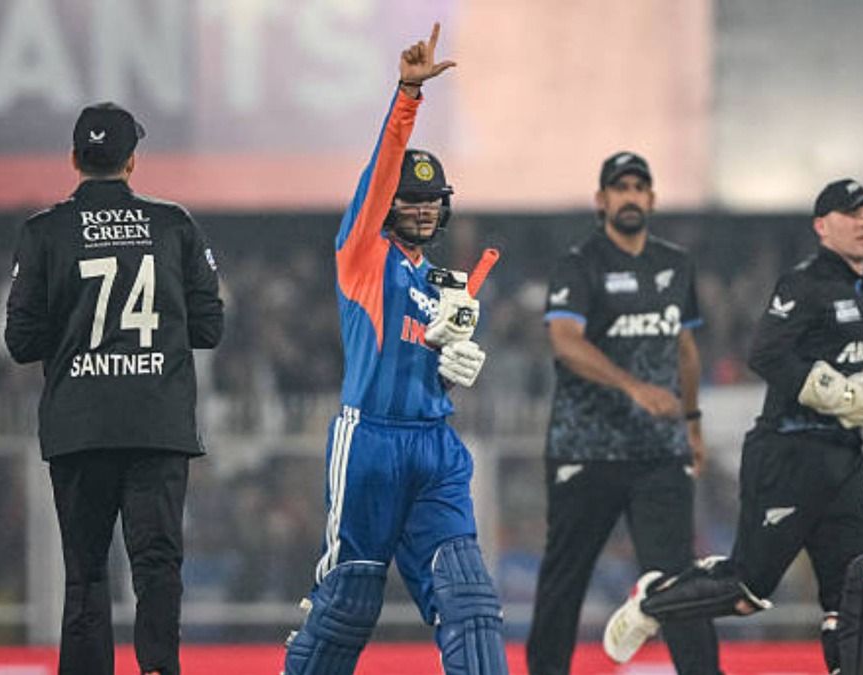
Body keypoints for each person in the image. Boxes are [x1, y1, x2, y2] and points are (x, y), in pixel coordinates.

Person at [603, 178, 863, 675]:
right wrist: (839, 393)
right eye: (851, 214)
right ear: (822, 226)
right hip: (788, 453)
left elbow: (857, 371)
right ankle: (655, 599)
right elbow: (766, 354)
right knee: (747, 591)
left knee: (856, 589)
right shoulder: (803, 283)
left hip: (843, 458)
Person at [281, 24, 508, 675]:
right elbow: (380, 175)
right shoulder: (361, 255)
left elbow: (431, 362)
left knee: (469, 599)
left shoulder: (442, 283)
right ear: (388, 205)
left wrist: (455, 369)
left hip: (435, 445)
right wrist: (408, 94)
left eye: (434, 200)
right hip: (371, 441)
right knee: (349, 600)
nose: (423, 209)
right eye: (410, 198)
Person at [5, 102, 224, 675]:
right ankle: (158, 670)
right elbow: (209, 327)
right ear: (132, 162)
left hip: (80, 424)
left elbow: (21, 341)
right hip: (157, 420)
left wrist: (75, 333)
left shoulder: (44, 231)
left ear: (75, 159)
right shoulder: (175, 225)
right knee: (157, 564)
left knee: (86, 570)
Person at [526, 152, 721, 675]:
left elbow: (685, 349)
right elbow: (565, 342)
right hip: (585, 450)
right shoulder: (580, 263)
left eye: (640, 187)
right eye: (620, 187)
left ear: (652, 199)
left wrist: (693, 424)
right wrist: (633, 387)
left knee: (680, 581)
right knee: (565, 579)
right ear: (601, 200)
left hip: (660, 450)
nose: (630, 196)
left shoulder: (676, 265)